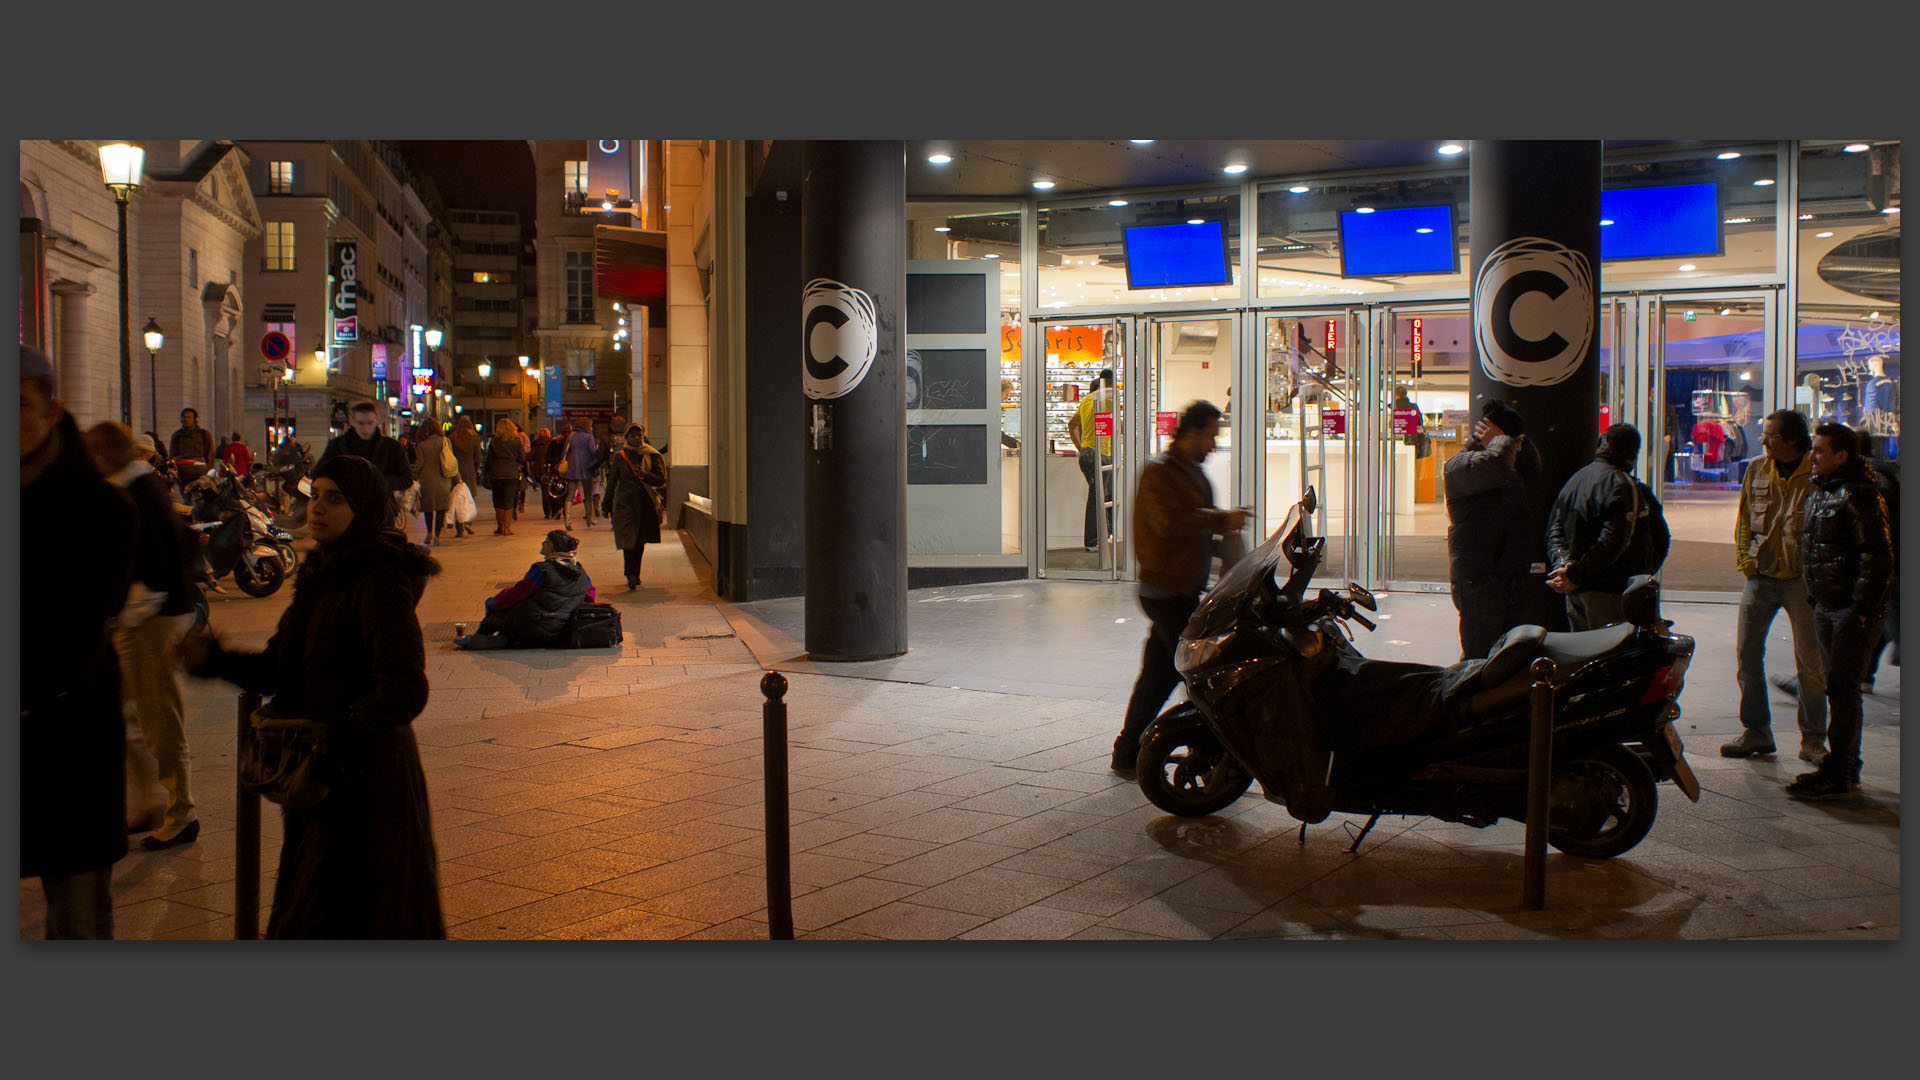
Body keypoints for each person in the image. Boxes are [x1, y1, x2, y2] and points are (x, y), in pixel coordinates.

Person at [177, 454, 444, 937]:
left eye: (334, 498)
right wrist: (214, 660)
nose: (317, 507)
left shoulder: (379, 578)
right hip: (326, 785)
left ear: (362, 507)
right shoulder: (325, 572)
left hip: (367, 789)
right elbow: (283, 665)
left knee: (356, 918)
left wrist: (333, 747)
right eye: (315, 495)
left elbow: (403, 688)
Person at [20, 345, 138, 938]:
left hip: (68, 738)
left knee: (77, 916)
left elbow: (77, 627)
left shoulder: (99, 508)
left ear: (51, 411)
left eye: (17, 404)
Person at [1110, 401, 1251, 778]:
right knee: (1203, 671)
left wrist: (1229, 544)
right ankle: (1210, 755)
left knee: (1158, 675)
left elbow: (1197, 531)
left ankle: (1125, 754)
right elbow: (1169, 523)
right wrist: (1223, 518)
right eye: (1211, 434)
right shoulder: (1159, 473)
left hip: (1180, 590)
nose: (1214, 443)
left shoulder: (1192, 474)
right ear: (1191, 433)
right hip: (1165, 591)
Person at [85, 421, 203, 850]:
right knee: (130, 715)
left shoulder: (135, 496)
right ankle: (147, 802)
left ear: (104, 455)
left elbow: (156, 563)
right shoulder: (139, 487)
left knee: (157, 717)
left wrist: (127, 612)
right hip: (150, 616)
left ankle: (181, 810)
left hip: (150, 619)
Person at [1783, 424, 1895, 801]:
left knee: (1844, 691)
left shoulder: (1859, 494)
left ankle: (1841, 769)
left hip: (1847, 611)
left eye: (1818, 450)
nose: (1812, 455)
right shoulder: (1822, 491)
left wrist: (1860, 610)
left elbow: (1876, 558)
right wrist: (1817, 598)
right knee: (1838, 688)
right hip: (1828, 607)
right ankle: (1842, 765)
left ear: (1841, 455)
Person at [1721, 410, 1827, 762]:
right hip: (1761, 576)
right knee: (1747, 655)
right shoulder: (1756, 468)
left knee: (1809, 664)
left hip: (1802, 581)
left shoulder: (1816, 474)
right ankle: (1756, 732)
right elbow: (1744, 520)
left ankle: (1813, 740)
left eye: (1771, 435)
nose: (1763, 440)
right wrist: (1745, 561)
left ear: (1793, 440)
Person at [1443, 399, 1543, 659]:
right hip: (1479, 579)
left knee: (1502, 656)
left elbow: (1533, 469)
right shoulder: (1461, 465)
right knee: (1478, 656)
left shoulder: (1508, 466)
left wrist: (1514, 440)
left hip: (1505, 575)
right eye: (1514, 441)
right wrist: (1500, 440)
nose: (1518, 447)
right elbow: (1495, 464)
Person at [1545, 423, 1669, 630]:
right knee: (1613, 656)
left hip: (1576, 591)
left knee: (1582, 655)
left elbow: (1555, 530)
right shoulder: (1625, 485)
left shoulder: (1575, 481)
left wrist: (1564, 568)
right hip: (1612, 591)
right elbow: (1616, 540)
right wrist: (1574, 574)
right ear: (1632, 454)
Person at [455, 530, 597, 650]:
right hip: (562, 628)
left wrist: (492, 603)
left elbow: (516, 593)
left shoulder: (542, 570)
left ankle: (475, 641)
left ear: (553, 547)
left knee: (494, 618)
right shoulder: (582, 573)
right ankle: (499, 640)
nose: (542, 544)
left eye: (546, 542)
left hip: (533, 623)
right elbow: (590, 598)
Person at [602, 424, 667, 589]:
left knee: (639, 541)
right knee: (628, 540)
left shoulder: (651, 455)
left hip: (645, 504)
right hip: (625, 504)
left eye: (639, 435)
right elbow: (612, 483)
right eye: (633, 436)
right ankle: (630, 574)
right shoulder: (620, 457)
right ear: (627, 438)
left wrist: (646, 476)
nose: (636, 438)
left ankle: (635, 573)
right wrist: (606, 505)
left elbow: (660, 479)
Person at [316, 400, 412, 501]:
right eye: (361, 423)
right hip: (344, 507)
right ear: (352, 421)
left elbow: (407, 479)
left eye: (370, 423)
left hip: (380, 508)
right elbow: (319, 473)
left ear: (377, 421)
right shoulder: (337, 445)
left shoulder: (392, 447)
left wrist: (377, 481)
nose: (366, 429)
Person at [1069, 368, 1117, 551]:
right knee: (1099, 496)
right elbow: (1120, 426)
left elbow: (1071, 424)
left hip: (1088, 453)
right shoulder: (1108, 398)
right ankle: (1093, 540)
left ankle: (1104, 535)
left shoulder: (1088, 399)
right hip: (1101, 453)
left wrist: (1081, 447)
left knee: (1102, 493)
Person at [410, 418, 455, 546]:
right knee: (441, 508)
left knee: (428, 508)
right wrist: (457, 479)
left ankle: (429, 532)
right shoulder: (446, 442)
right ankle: (437, 536)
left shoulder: (422, 445)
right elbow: (451, 461)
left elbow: (419, 464)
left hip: (427, 479)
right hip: (443, 478)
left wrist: (413, 476)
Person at [484, 416, 527, 536]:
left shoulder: (494, 441)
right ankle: (507, 528)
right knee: (509, 500)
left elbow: (489, 459)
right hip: (511, 473)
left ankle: (500, 526)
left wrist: (486, 472)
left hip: (496, 473)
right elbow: (522, 458)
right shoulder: (516, 441)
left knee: (498, 501)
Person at [448, 413, 483, 538]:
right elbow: (478, 457)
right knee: (469, 497)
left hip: (455, 471)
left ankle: (459, 527)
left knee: (457, 497)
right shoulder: (474, 438)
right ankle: (468, 522)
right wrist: (476, 467)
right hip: (469, 470)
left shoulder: (452, 438)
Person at [561, 419, 600, 530]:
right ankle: (589, 518)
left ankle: (568, 521)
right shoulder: (589, 437)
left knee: (570, 495)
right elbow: (593, 452)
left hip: (572, 469)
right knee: (588, 494)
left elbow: (564, 452)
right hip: (586, 469)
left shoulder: (571, 436)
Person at [168, 406, 216, 487]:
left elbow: (210, 454)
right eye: (184, 417)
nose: (186, 419)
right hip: (183, 474)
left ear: (195, 419)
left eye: (189, 417)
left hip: (200, 473)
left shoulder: (204, 434)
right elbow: (172, 455)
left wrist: (209, 472)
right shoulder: (177, 436)